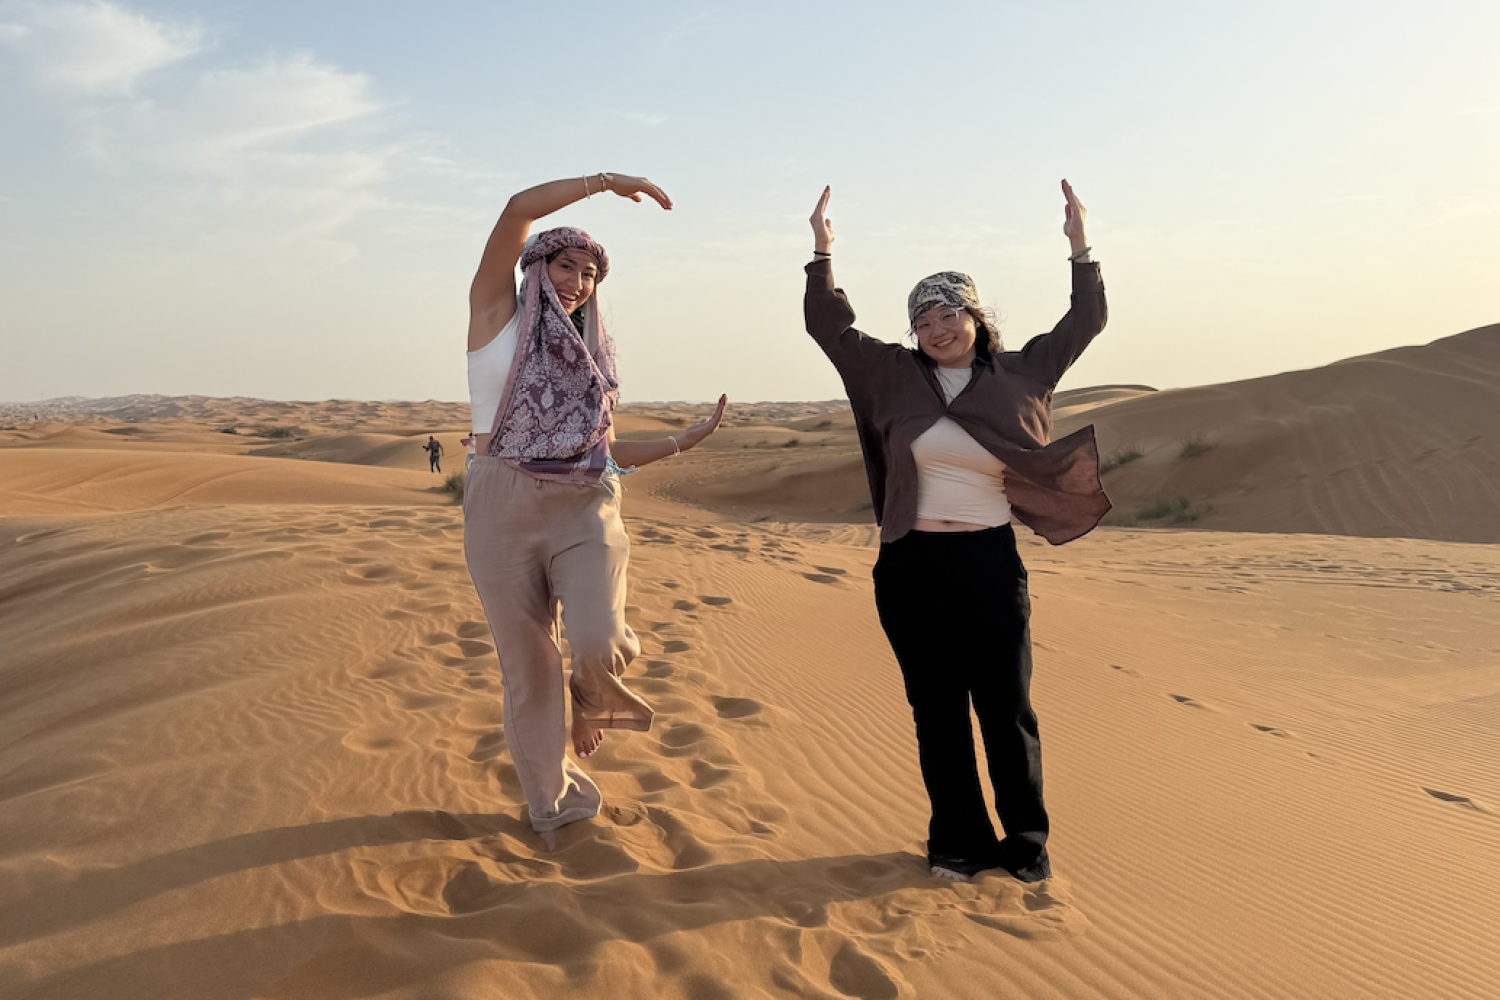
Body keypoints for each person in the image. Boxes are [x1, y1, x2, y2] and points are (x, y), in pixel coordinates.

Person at [803, 181, 1108, 883]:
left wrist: (1079, 245)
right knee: (936, 713)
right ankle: (957, 844)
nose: (938, 330)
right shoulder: (890, 375)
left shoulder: (1023, 371)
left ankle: (1026, 847)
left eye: (949, 314)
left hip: (988, 564)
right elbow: (829, 327)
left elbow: (1085, 320)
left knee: (1007, 711)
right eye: (923, 321)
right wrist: (821, 251)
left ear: (976, 316)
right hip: (911, 565)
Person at [464, 171, 727, 835]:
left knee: (596, 638)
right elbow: (517, 209)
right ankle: (554, 808)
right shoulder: (494, 320)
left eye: (589, 273)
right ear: (535, 266)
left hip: (586, 503)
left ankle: (593, 699)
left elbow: (601, 452)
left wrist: (677, 442)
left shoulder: (591, 361)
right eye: (564, 264)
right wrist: (604, 182)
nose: (576, 281)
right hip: (502, 502)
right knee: (529, 670)